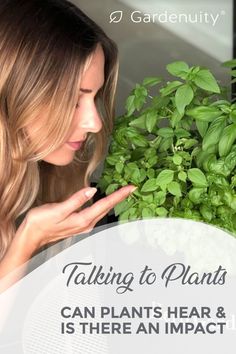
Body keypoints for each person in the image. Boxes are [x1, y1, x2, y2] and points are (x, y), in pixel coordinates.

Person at [0, 0, 136, 281]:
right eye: (73, 100)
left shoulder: (47, 188)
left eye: (93, 98)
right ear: (16, 93)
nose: (95, 123)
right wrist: (28, 242)